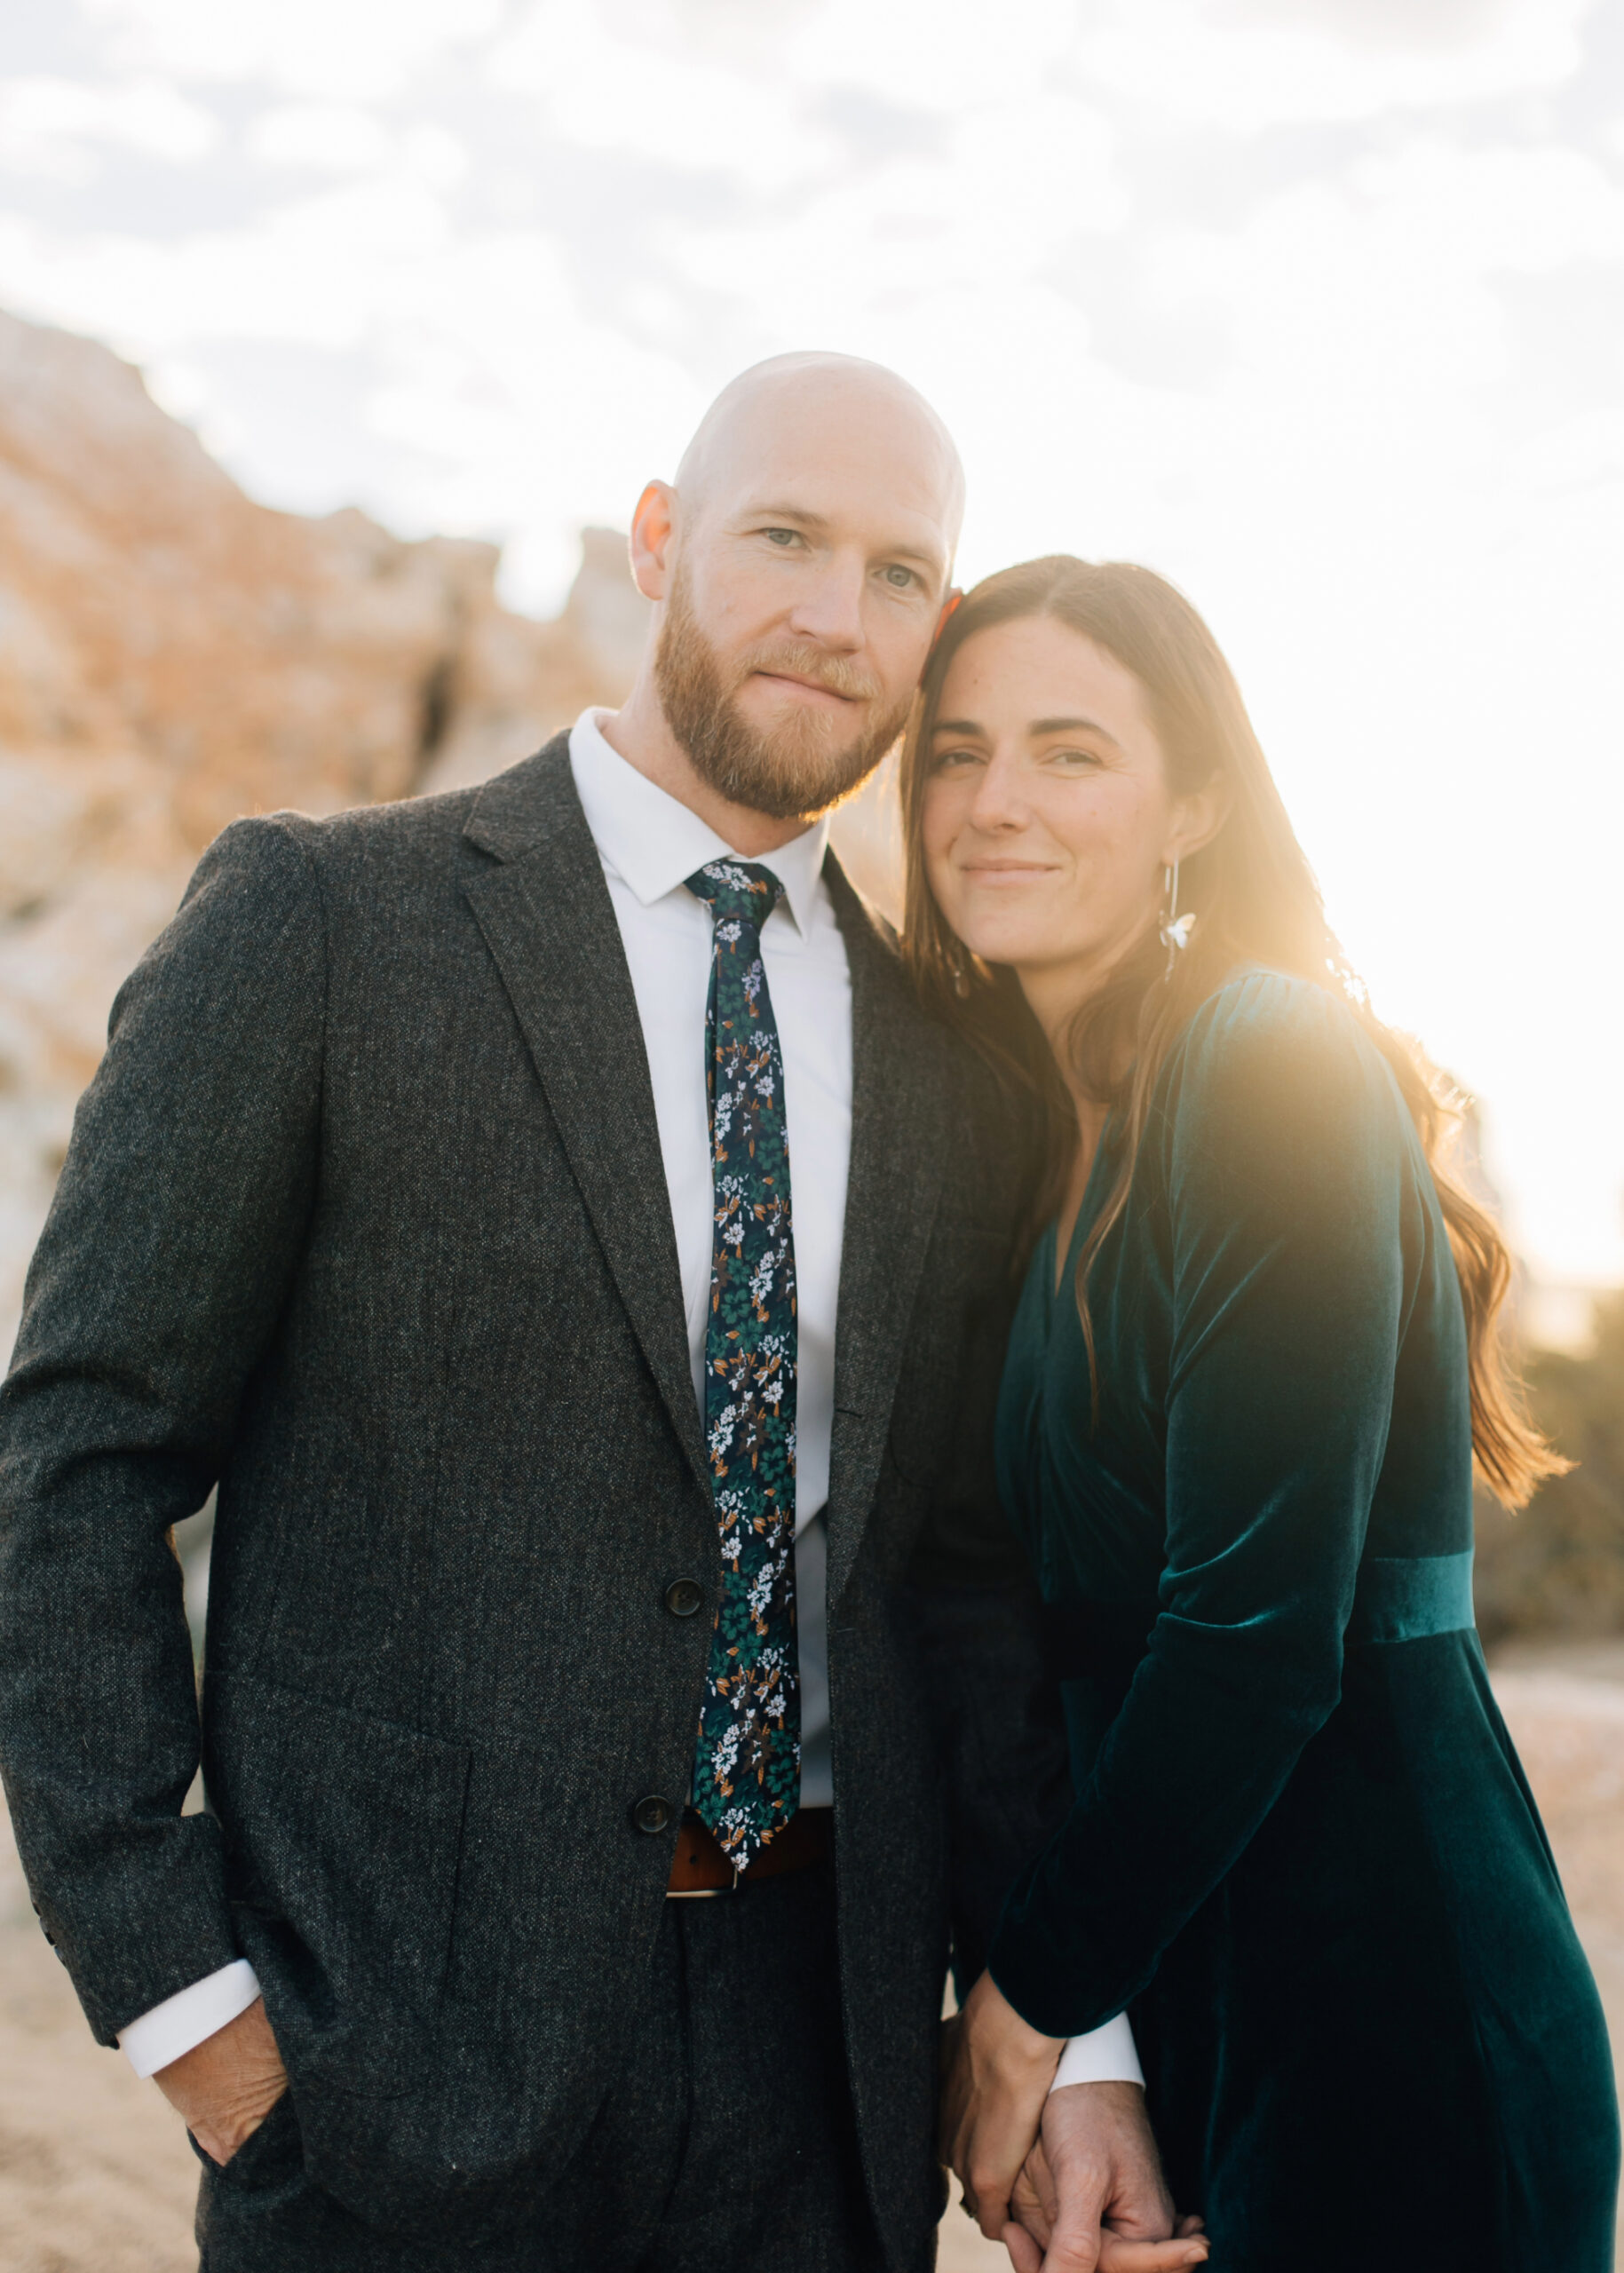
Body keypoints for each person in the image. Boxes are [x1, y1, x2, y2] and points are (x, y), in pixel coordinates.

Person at [0, 362, 1200, 2273]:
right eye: (784, 537)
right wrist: (184, 2003)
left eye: (902, 573)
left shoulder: (954, 1068)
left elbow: (962, 1607)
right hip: (388, 2073)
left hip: (830, 2076)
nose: (836, 612)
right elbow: (71, 1462)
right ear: (659, 538)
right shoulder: (323, 924)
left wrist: (1079, 2039)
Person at [917, 554, 1621, 2270]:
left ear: (1193, 804)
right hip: (1184, 1979)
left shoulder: (1266, 1055)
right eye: (953, 751)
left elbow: (1249, 1638)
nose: (995, 802)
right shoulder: (1030, 1136)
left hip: (1388, 2004)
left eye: (1069, 752)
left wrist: (1018, 2021)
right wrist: (1095, 2032)